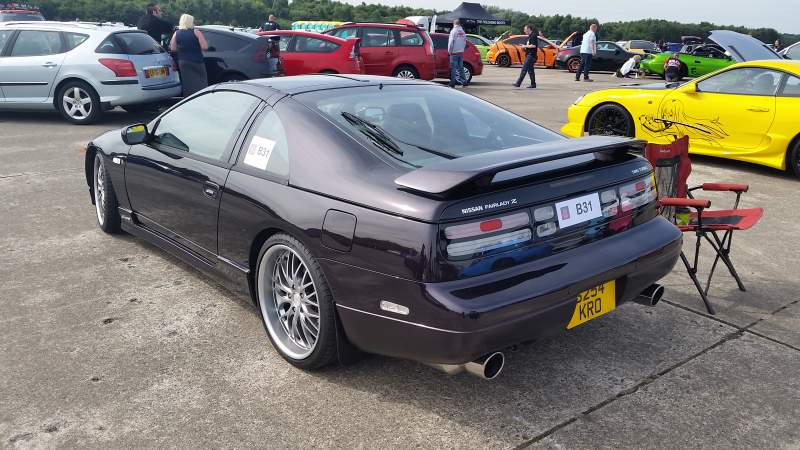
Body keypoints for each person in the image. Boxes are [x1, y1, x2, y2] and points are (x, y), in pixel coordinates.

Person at [170, 14, 209, 97]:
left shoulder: (176, 33)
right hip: (197, 61)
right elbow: (204, 47)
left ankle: (189, 99)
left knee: (187, 83)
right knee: (201, 81)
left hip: (183, 61)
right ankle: (202, 97)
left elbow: (173, 48)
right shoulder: (196, 32)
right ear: (190, 22)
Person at [513, 24, 538, 88]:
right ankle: (533, 84)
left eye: (525, 29)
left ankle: (518, 83)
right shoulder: (529, 36)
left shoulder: (533, 35)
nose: (524, 30)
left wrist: (525, 46)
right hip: (529, 55)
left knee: (524, 69)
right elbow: (529, 46)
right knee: (530, 71)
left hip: (531, 56)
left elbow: (534, 45)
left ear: (529, 29)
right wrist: (524, 46)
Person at [447, 19, 468, 88]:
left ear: (454, 24)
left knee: (453, 68)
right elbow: (465, 42)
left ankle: (452, 83)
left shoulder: (454, 31)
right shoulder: (463, 32)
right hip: (461, 52)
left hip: (454, 52)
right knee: (461, 68)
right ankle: (464, 82)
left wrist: (449, 51)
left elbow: (451, 42)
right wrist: (462, 49)